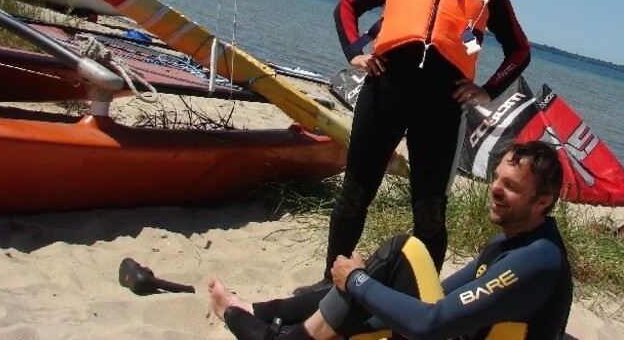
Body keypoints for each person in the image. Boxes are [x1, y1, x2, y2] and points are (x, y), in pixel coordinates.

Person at [316, 0, 531, 289]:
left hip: (441, 107)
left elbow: (519, 50)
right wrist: (356, 52)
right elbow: (347, 4)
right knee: (355, 195)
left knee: (429, 210)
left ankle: (421, 301)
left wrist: (487, 89)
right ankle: (330, 287)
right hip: (386, 92)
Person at [209, 141, 572, 339]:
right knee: (385, 282)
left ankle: (273, 326)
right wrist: (362, 301)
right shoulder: (510, 243)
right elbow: (438, 294)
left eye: (510, 186)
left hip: (438, 334)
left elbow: (429, 323)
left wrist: (356, 280)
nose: (494, 189)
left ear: (543, 201)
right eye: (496, 178)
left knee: (403, 250)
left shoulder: (537, 261)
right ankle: (268, 316)